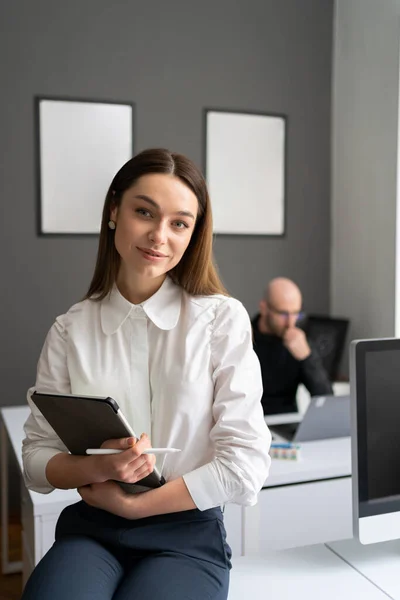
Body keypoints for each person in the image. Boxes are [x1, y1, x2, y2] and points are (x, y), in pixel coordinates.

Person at [21, 148, 271, 600]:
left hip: (187, 533)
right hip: (92, 529)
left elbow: (245, 466)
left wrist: (136, 508)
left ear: (194, 234)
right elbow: (38, 459)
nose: (159, 235)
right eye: (144, 212)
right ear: (114, 211)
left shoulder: (221, 320)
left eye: (180, 223)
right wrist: (99, 467)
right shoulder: (69, 330)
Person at [252, 277, 333, 415]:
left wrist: (307, 358)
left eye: (296, 313)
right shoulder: (244, 338)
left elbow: (326, 398)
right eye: (283, 314)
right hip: (253, 425)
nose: (290, 322)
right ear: (264, 308)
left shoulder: (299, 340)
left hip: (287, 424)